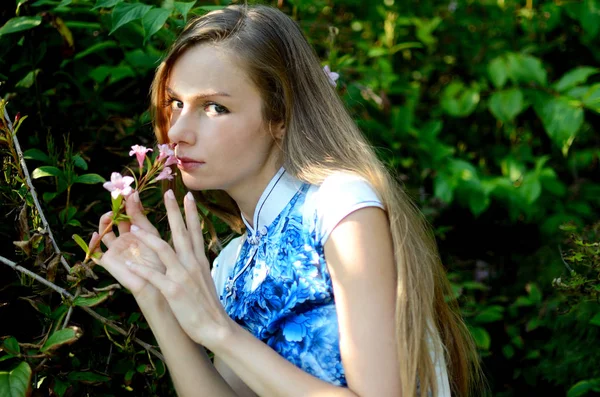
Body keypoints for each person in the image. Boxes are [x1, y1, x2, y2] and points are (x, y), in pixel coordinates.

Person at [89, 4, 483, 397]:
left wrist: (217, 329)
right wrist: (155, 294)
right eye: (176, 102)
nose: (178, 130)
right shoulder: (232, 263)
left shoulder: (339, 207)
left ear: (281, 116)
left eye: (214, 107)